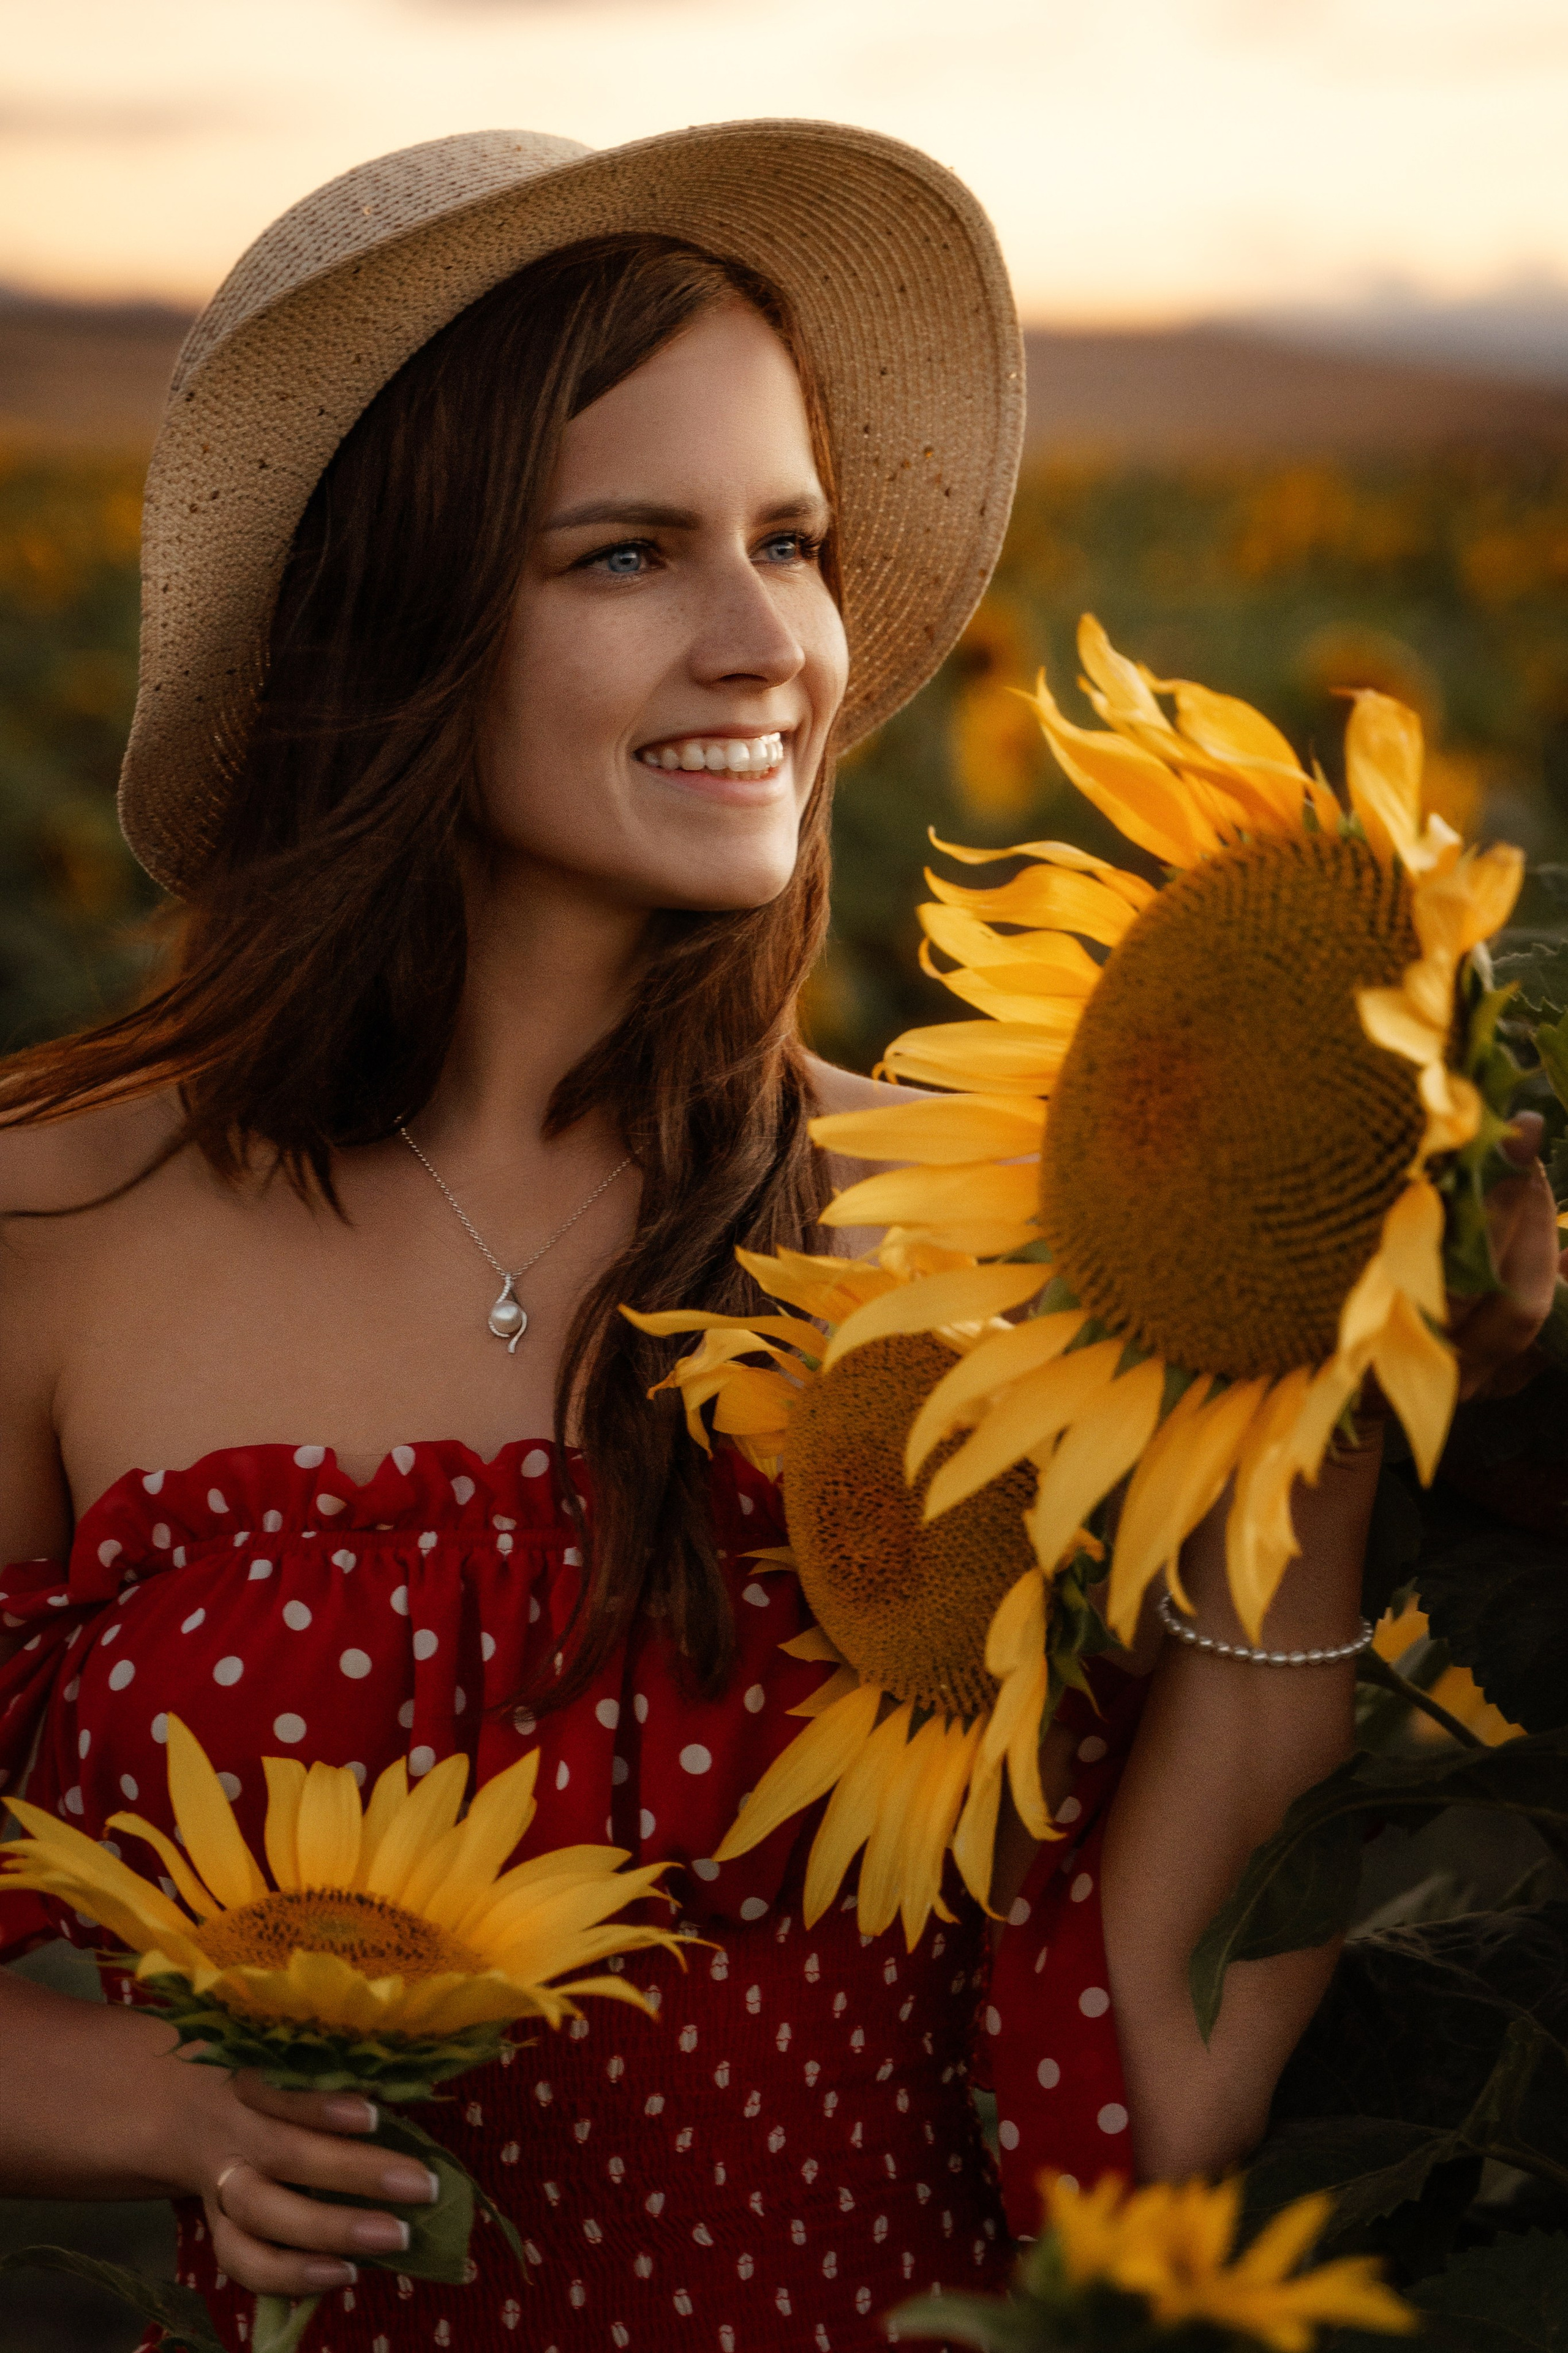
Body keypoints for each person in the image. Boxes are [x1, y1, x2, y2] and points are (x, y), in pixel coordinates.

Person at [0, 124, 1556, 2353]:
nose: (774, 647)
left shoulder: (1002, 1240)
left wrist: (1315, 1363)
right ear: (397, 614)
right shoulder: (56, 1221)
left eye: (793, 541)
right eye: (628, 552)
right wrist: (156, 2098)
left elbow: (1166, 2085)